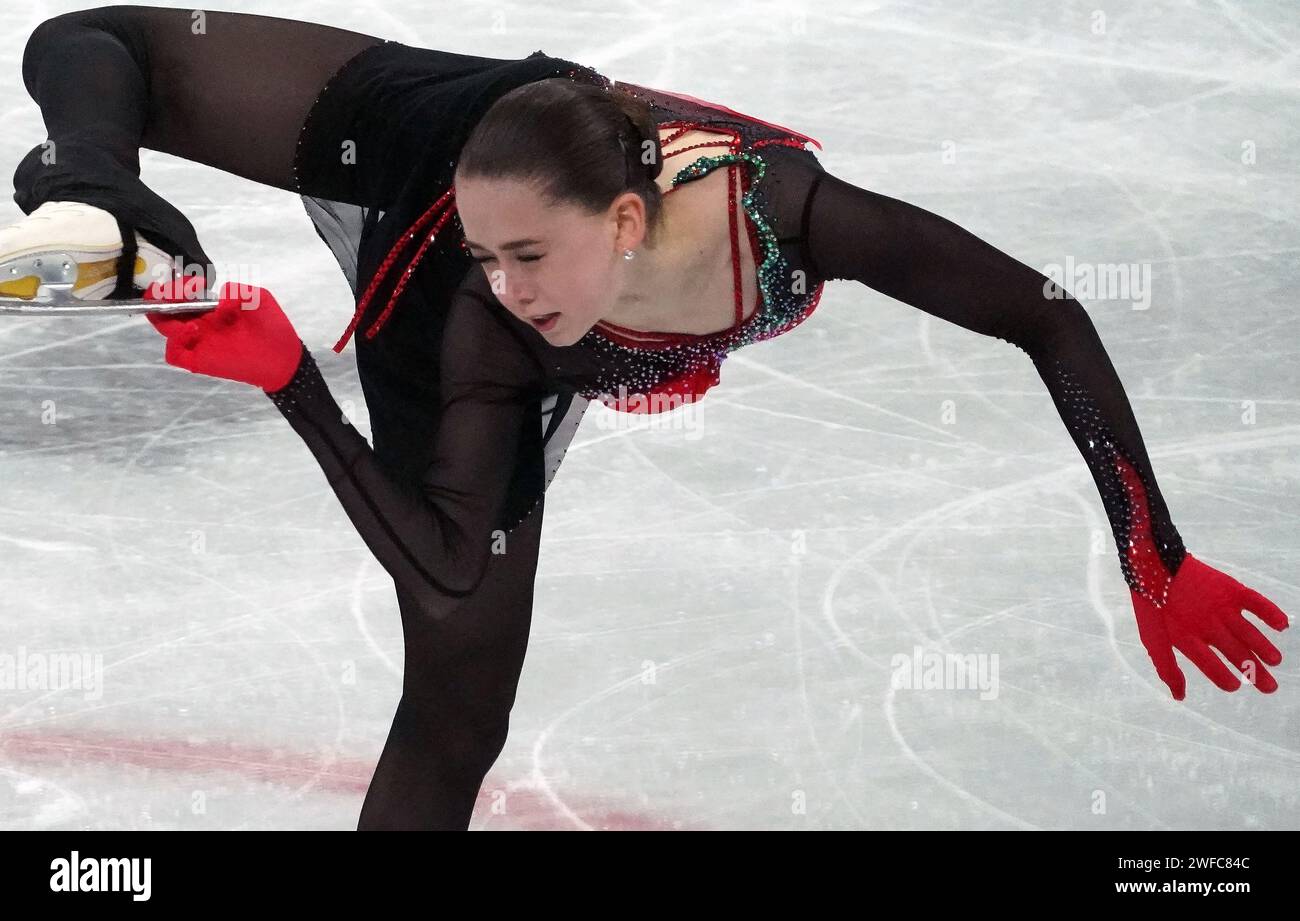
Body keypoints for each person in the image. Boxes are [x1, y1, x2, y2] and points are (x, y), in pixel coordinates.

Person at [10, 5, 1287, 831]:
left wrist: (1151, 555)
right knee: (457, 689)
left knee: (467, 702)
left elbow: (1044, 313)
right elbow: (448, 560)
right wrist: (290, 371)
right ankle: (95, 197)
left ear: (627, 220)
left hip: (538, 143)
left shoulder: (787, 212)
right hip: (444, 156)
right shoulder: (481, 315)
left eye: (527, 261)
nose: (509, 291)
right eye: (489, 260)